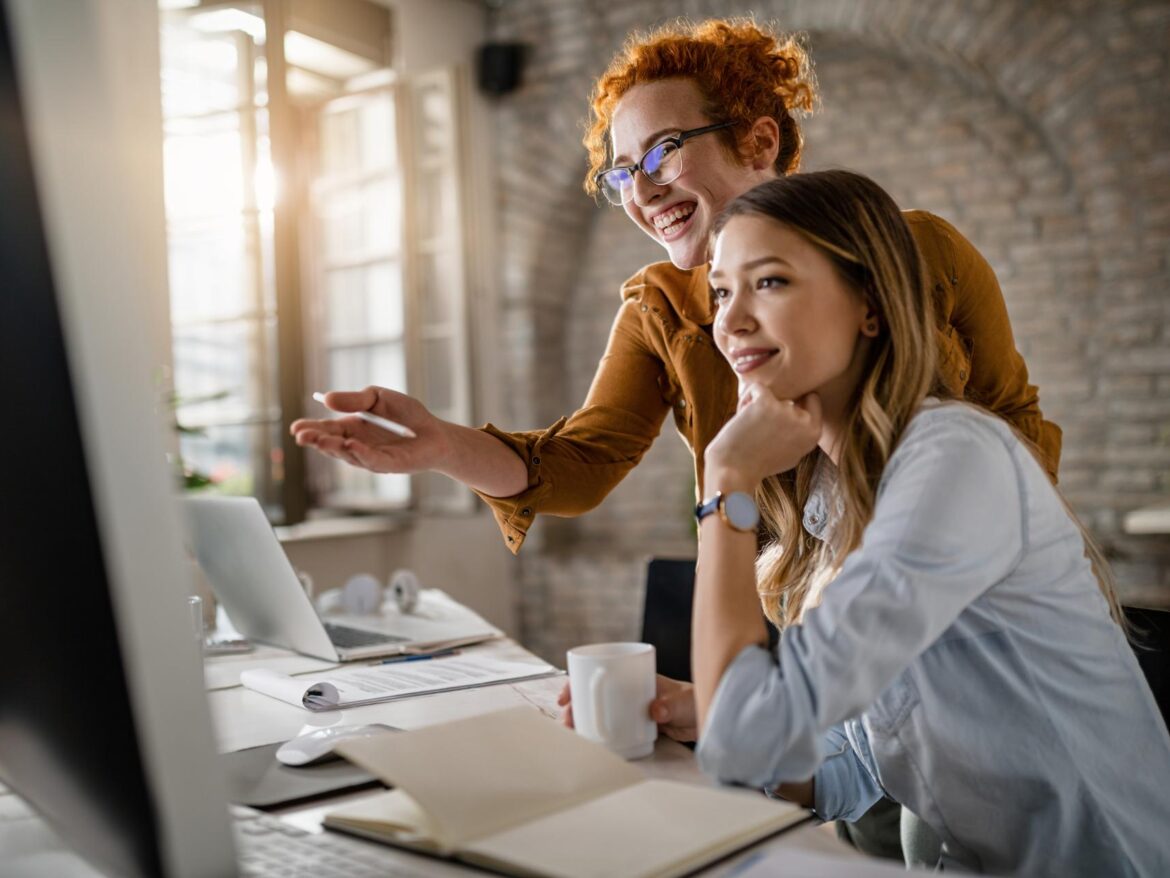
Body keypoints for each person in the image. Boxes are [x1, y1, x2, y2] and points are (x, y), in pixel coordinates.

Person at [290, 19, 1060, 858]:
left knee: (939, 820)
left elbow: (1013, 428)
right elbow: (578, 463)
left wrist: (937, 556)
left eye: (661, 152)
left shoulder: (917, 256)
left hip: (950, 619)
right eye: (622, 170)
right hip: (795, 620)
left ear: (760, 139)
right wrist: (440, 445)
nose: (640, 187)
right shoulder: (660, 305)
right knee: (842, 821)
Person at [688, 169, 1170, 875]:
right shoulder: (842, 492)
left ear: (871, 306)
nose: (727, 322)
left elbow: (743, 747)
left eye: (769, 282)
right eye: (722, 291)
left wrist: (724, 482)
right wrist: (707, 710)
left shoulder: (955, 460)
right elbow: (857, 762)